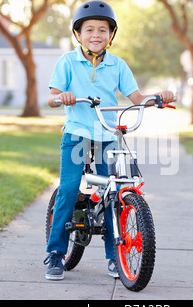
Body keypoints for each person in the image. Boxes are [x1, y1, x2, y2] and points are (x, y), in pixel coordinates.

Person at [44, 0, 174, 281]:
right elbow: (52, 97)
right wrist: (62, 97)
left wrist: (158, 98)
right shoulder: (68, 61)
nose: (96, 34)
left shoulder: (118, 65)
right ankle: (55, 253)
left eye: (103, 29)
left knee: (112, 195)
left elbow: (136, 99)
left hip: (107, 135)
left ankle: (114, 257)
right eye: (89, 29)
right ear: (78, 34)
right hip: (77, 134)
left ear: (110, 36)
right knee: (68, 190)